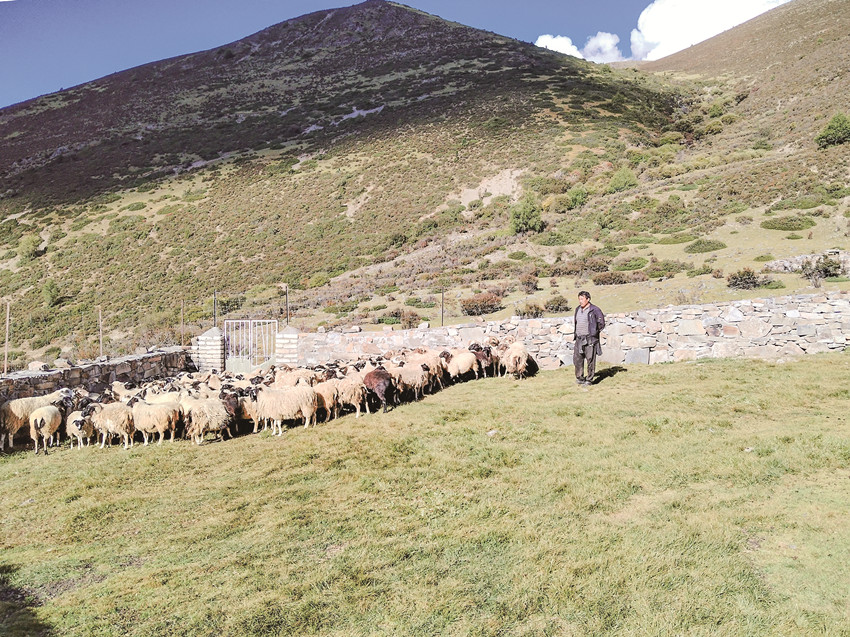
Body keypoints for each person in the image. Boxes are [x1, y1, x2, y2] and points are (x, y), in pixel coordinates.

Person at [573, 291, 605, 386]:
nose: (580, 301)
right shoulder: (577, 309)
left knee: (590, 359)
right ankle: (580, 378)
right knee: (577, 359)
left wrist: (594, 333)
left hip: (590, 338)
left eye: (582, 299)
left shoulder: (595, 310)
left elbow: (601, 323)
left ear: (588, 299)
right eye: (579, 299)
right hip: (579, 338)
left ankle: (589, 379)